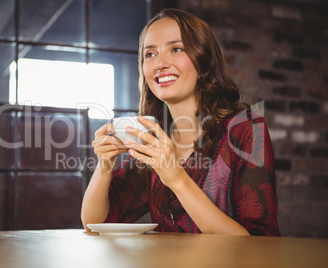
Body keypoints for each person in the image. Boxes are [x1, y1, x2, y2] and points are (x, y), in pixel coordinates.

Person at [81, 8, 280, 236]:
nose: (160, 64)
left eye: (176, 49)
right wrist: (105, 164)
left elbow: (259, 243)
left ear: (203, 60)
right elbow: (95, 223)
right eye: (150, 54)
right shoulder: (155, 142)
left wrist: (176, 178)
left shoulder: (246, 129)